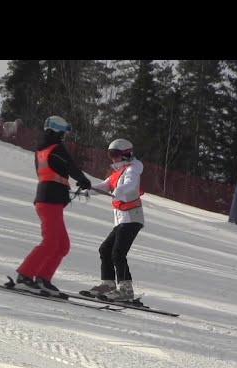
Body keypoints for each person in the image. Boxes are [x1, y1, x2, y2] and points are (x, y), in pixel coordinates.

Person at [13, 115, 92, 296]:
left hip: (48, 199)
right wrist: (83, 180)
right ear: (57, 132)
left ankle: (43, 279)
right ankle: (25, 276)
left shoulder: (42, 149)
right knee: (51, 242)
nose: (64, 136)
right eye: (63, 133)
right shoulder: (57, 148)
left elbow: (56, 170)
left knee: (62, 245)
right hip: (50, 200)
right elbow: (70, 166)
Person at [86, 138, 144, 301]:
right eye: (110, 154)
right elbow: (105, 186)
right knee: (105, 249)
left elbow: (130, 186)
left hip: (132, 218)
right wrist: (87, 189)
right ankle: (109, 284)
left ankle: (126, 290)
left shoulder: (133, 169)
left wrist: (118, 191)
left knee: (118, 253)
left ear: (126, 154)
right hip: (121, 220)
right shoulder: (118, 172)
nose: (112, 158)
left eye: (115, 154)